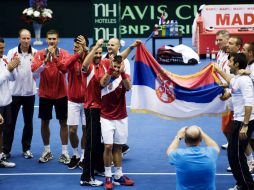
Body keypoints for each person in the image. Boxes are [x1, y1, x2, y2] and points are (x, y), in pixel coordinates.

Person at [80, 39, 140, 187]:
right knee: (92, 144)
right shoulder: (90, 67)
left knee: (100, 143)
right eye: (97, 53)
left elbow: (120, 59)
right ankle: (87, 176)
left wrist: (131, 47)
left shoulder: (104, 64)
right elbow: (86, 66)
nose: (99, 55)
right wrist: (95, 48)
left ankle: (101, 169)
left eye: (101, 53)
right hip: (92, 107)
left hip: (102, 108)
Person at [100, 53, 140, 189]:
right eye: (115, 66)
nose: (116, 69)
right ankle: (107, 176)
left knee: (118, 147)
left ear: (122, 66)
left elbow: (128, 87)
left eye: (119, 67)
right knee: (108, 146)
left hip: (121, 117)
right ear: (111, 66)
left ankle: (118, 175)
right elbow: (103, 83)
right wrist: (111, 71)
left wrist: (122, 74)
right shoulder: (106, 76)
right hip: (105, 117)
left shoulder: (124, 77)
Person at [215, 53, 254, 190]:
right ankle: (241, 184)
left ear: (237, 64)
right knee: (232, 154)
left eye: (230, 62)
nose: (228, 64)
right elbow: (231, 82)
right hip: (237, 119)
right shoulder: (237, 78)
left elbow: (249, 103)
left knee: (238, 156)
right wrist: (218, 70)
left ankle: (247, 186)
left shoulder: (244, 80)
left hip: (243, 122)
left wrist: (245, 125)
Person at [31, 29, 70, 164]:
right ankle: (47, 150)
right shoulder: (40, 54)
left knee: (63, 123)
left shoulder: (64, 54)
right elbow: (34, 71)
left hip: (61, 94)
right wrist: (45, 61)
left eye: (54, 39)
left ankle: (64, 152)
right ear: (46, 40)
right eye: (50, 39)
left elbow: (65, 69)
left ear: (57, 40)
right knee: (44, 122)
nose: (52, 41)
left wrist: (56, 58)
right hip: (45, 94)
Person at [2, 29, 37, 159]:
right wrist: (13, 68)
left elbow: (37, 74)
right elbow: (8, 73)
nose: (26, 41)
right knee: (10, 123)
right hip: (14, 93)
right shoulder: (12, 52)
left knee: (28, 122)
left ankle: (26, 148)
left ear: (30, 39)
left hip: (29, 93)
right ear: (19, 39)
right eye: (24, 38)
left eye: (28, 38)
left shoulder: (35, 53)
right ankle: (5, 150)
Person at [166, 125, 219, 190]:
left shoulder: (178, 155)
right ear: (200, 139)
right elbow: (215, 147)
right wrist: (202, 133)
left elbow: (170, 150)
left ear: (185, 141)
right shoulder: (211, 153)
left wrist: (178, 137)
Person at [103, 38, 131, 156]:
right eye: (108, 44)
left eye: (112, 45)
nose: (109, 47)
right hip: (104, 96)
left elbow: (127, 83)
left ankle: (119, 148)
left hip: (118, 96)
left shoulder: (126, 62)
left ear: (119, 47)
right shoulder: (104, 58)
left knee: (117, 132)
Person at [64, 35, 88, 169]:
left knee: (86, 129)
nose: (75, 48)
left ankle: (84, 156)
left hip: (87, 101)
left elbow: (87, 66)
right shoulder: (70, 58)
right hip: (72, 100)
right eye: (74, 46)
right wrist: (76, 55)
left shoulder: (89, 57)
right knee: (72, 131)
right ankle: (75, 154)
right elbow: (64, 66)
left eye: (78, 46)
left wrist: (84, 52)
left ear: (84, 47)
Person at [0, 37, 19, 167]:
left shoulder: (5, 59)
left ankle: (1, 156)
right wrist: (8, 70)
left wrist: (13, 69)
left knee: (5, 131)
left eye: (3, 47)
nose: (2, 50)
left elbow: (12, 79)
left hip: (7, 102)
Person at [215, 30, 231, 150]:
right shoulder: (220, 53)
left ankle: (244, 157)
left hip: (233, 94)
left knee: (228, 127)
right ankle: (231, 143)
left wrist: (229, 90)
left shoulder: (235, 57)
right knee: (225, 127)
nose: (217, 42)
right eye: (217, 40)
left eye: (220, 40)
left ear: (228, 39)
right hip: (223, 92)